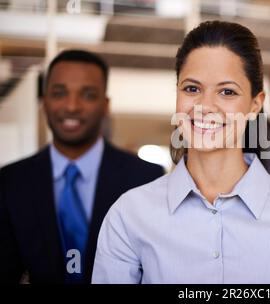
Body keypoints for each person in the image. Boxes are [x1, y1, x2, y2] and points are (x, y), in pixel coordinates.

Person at [92, 21, 270, 284]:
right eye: (192, 89)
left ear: (255, 105)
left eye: (227, 91)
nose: (205, 105)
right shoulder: (129, 215)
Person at [0, 50, 164, 284]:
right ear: (44, 101)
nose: (72, 106)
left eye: (87, 95)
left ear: (105, 105)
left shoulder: (145, 178)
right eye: (59, 93)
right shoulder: (11, 182)